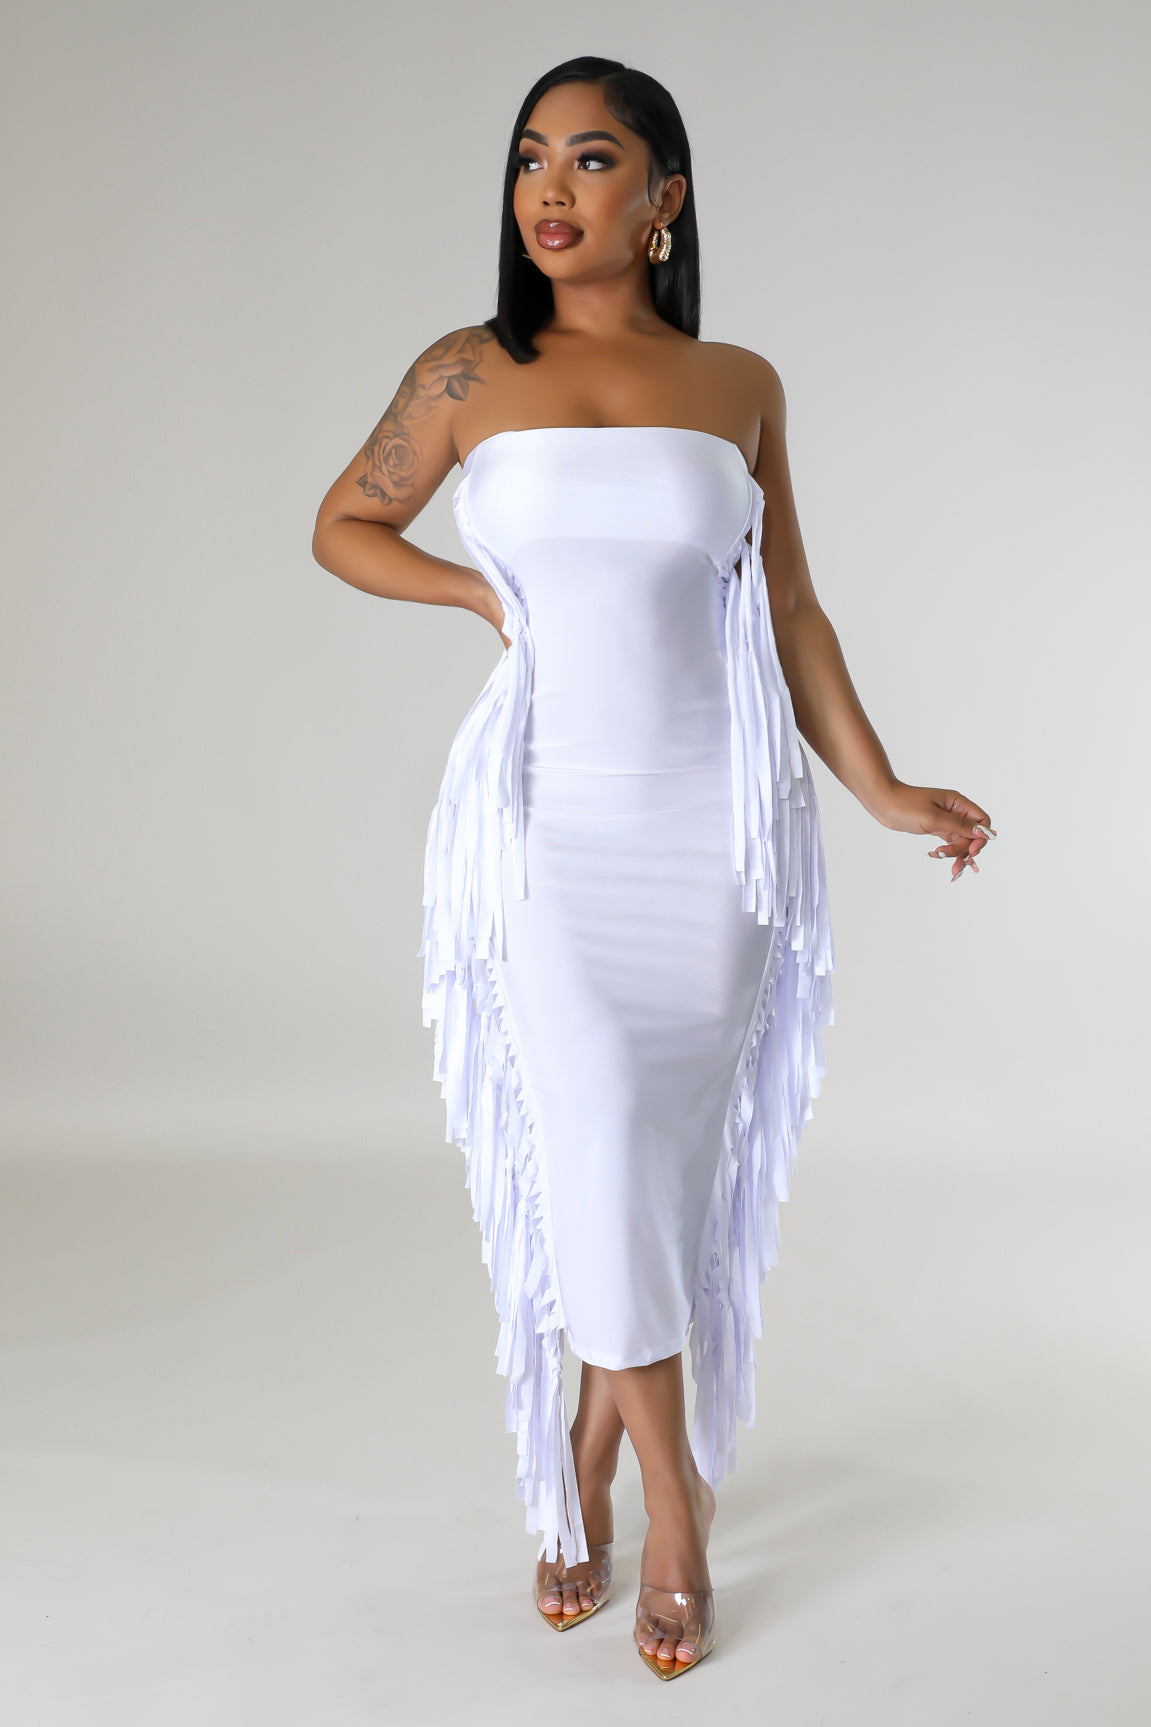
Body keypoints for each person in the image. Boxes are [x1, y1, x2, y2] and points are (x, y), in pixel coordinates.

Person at [311, 55, 994, 1681]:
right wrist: (481, 598)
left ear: (665, 198)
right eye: (530, 160)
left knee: (656, 1172)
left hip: (716, 829)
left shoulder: (738, 382)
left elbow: (790, 607)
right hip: (550, 823)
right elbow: (344, 523)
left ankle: (585, 1451)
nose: (550, 190)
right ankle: (675, 1512)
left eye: (593, 160)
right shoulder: (467, 369)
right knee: (605, 1134)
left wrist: (883, 787)